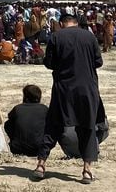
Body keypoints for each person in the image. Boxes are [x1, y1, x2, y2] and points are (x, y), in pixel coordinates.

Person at [34, 14, 104, 184]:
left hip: (63, 89)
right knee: (87, 127)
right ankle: (87, 170)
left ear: (61, 23)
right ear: (76, 22)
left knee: (53, 125)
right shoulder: (89, 36)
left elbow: (49, 63)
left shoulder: (56, 37)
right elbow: (98, 62)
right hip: (87, 89)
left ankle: (41, 165)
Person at [4, 85, 48, 156]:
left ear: (25, 97)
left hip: (17, 149)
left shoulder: (17, 108)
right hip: (40, 149)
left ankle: (16, 142)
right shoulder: (44, 109)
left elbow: (8, 124)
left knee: (8, 123)